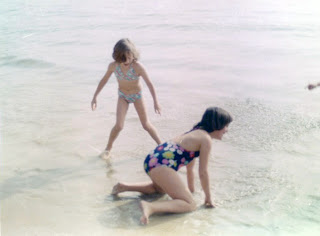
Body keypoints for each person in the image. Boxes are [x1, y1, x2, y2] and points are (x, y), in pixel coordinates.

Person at [111, 107, 233, 225]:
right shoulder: (206, 139)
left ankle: (125, 186)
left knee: (160, 190)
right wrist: (208, 198)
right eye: (226, 126)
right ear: (216, 124)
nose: (227, 130)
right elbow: (203, 173)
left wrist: (191, 191)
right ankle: (150, 207)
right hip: (162, 165)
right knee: (190, 205)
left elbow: (190, 168)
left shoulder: (195, 132)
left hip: (152, 160)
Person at [91, 38, 162, 159]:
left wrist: (156, 102)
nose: (127, 61)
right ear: (117, 57)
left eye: (130, 58)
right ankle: (108, 149)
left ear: (133, 55)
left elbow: (150, 84)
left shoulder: (137, 67)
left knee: (146, 125)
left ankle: (162, 146)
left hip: (137, 96)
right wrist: (95, 96)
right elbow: (104, 80)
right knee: (119, 126)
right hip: (123, 96)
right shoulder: (113, 66)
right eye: (124, 58)